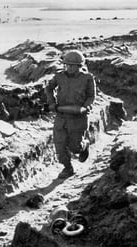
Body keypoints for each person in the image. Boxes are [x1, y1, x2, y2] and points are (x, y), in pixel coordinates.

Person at [44, 50, 96, 179]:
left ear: (79, 66)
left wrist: (86, 107)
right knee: (59, 145)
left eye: (72, 65)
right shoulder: (59, 77)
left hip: (78, 118)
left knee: (75, 147)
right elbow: (49, 88)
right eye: (67, 65)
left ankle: (85, 145)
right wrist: (52, 102)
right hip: (61, 117)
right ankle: (68, 168)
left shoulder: (87, 78)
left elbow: (91, 96)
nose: (69, 68)